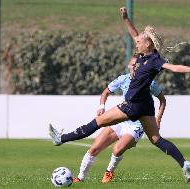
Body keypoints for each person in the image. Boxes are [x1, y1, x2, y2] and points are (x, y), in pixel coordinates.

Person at [49, 6, 190, 183]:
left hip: (132, 105)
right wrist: (125, 18)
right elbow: (134, 33)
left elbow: (174, 68)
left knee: (96, 123)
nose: (136, 43)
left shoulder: (155, 60)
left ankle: (61, 138)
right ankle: (184, 163)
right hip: (146, 106)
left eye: (139, 42)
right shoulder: (143, 54)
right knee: (156, 139)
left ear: (148, 44)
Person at [72, 55, 169, 184]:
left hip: (137, 124)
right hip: (121, 120)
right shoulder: (123, 79)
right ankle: (80, 178)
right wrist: (102, 106)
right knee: (94, 148)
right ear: (129, 66)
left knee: (117, 149)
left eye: (137, 65)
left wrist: (158, 119)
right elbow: (105, 92)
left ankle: (109, 173)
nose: (134, 67)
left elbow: (162, 100)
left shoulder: (150, 82)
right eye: (132, 64)